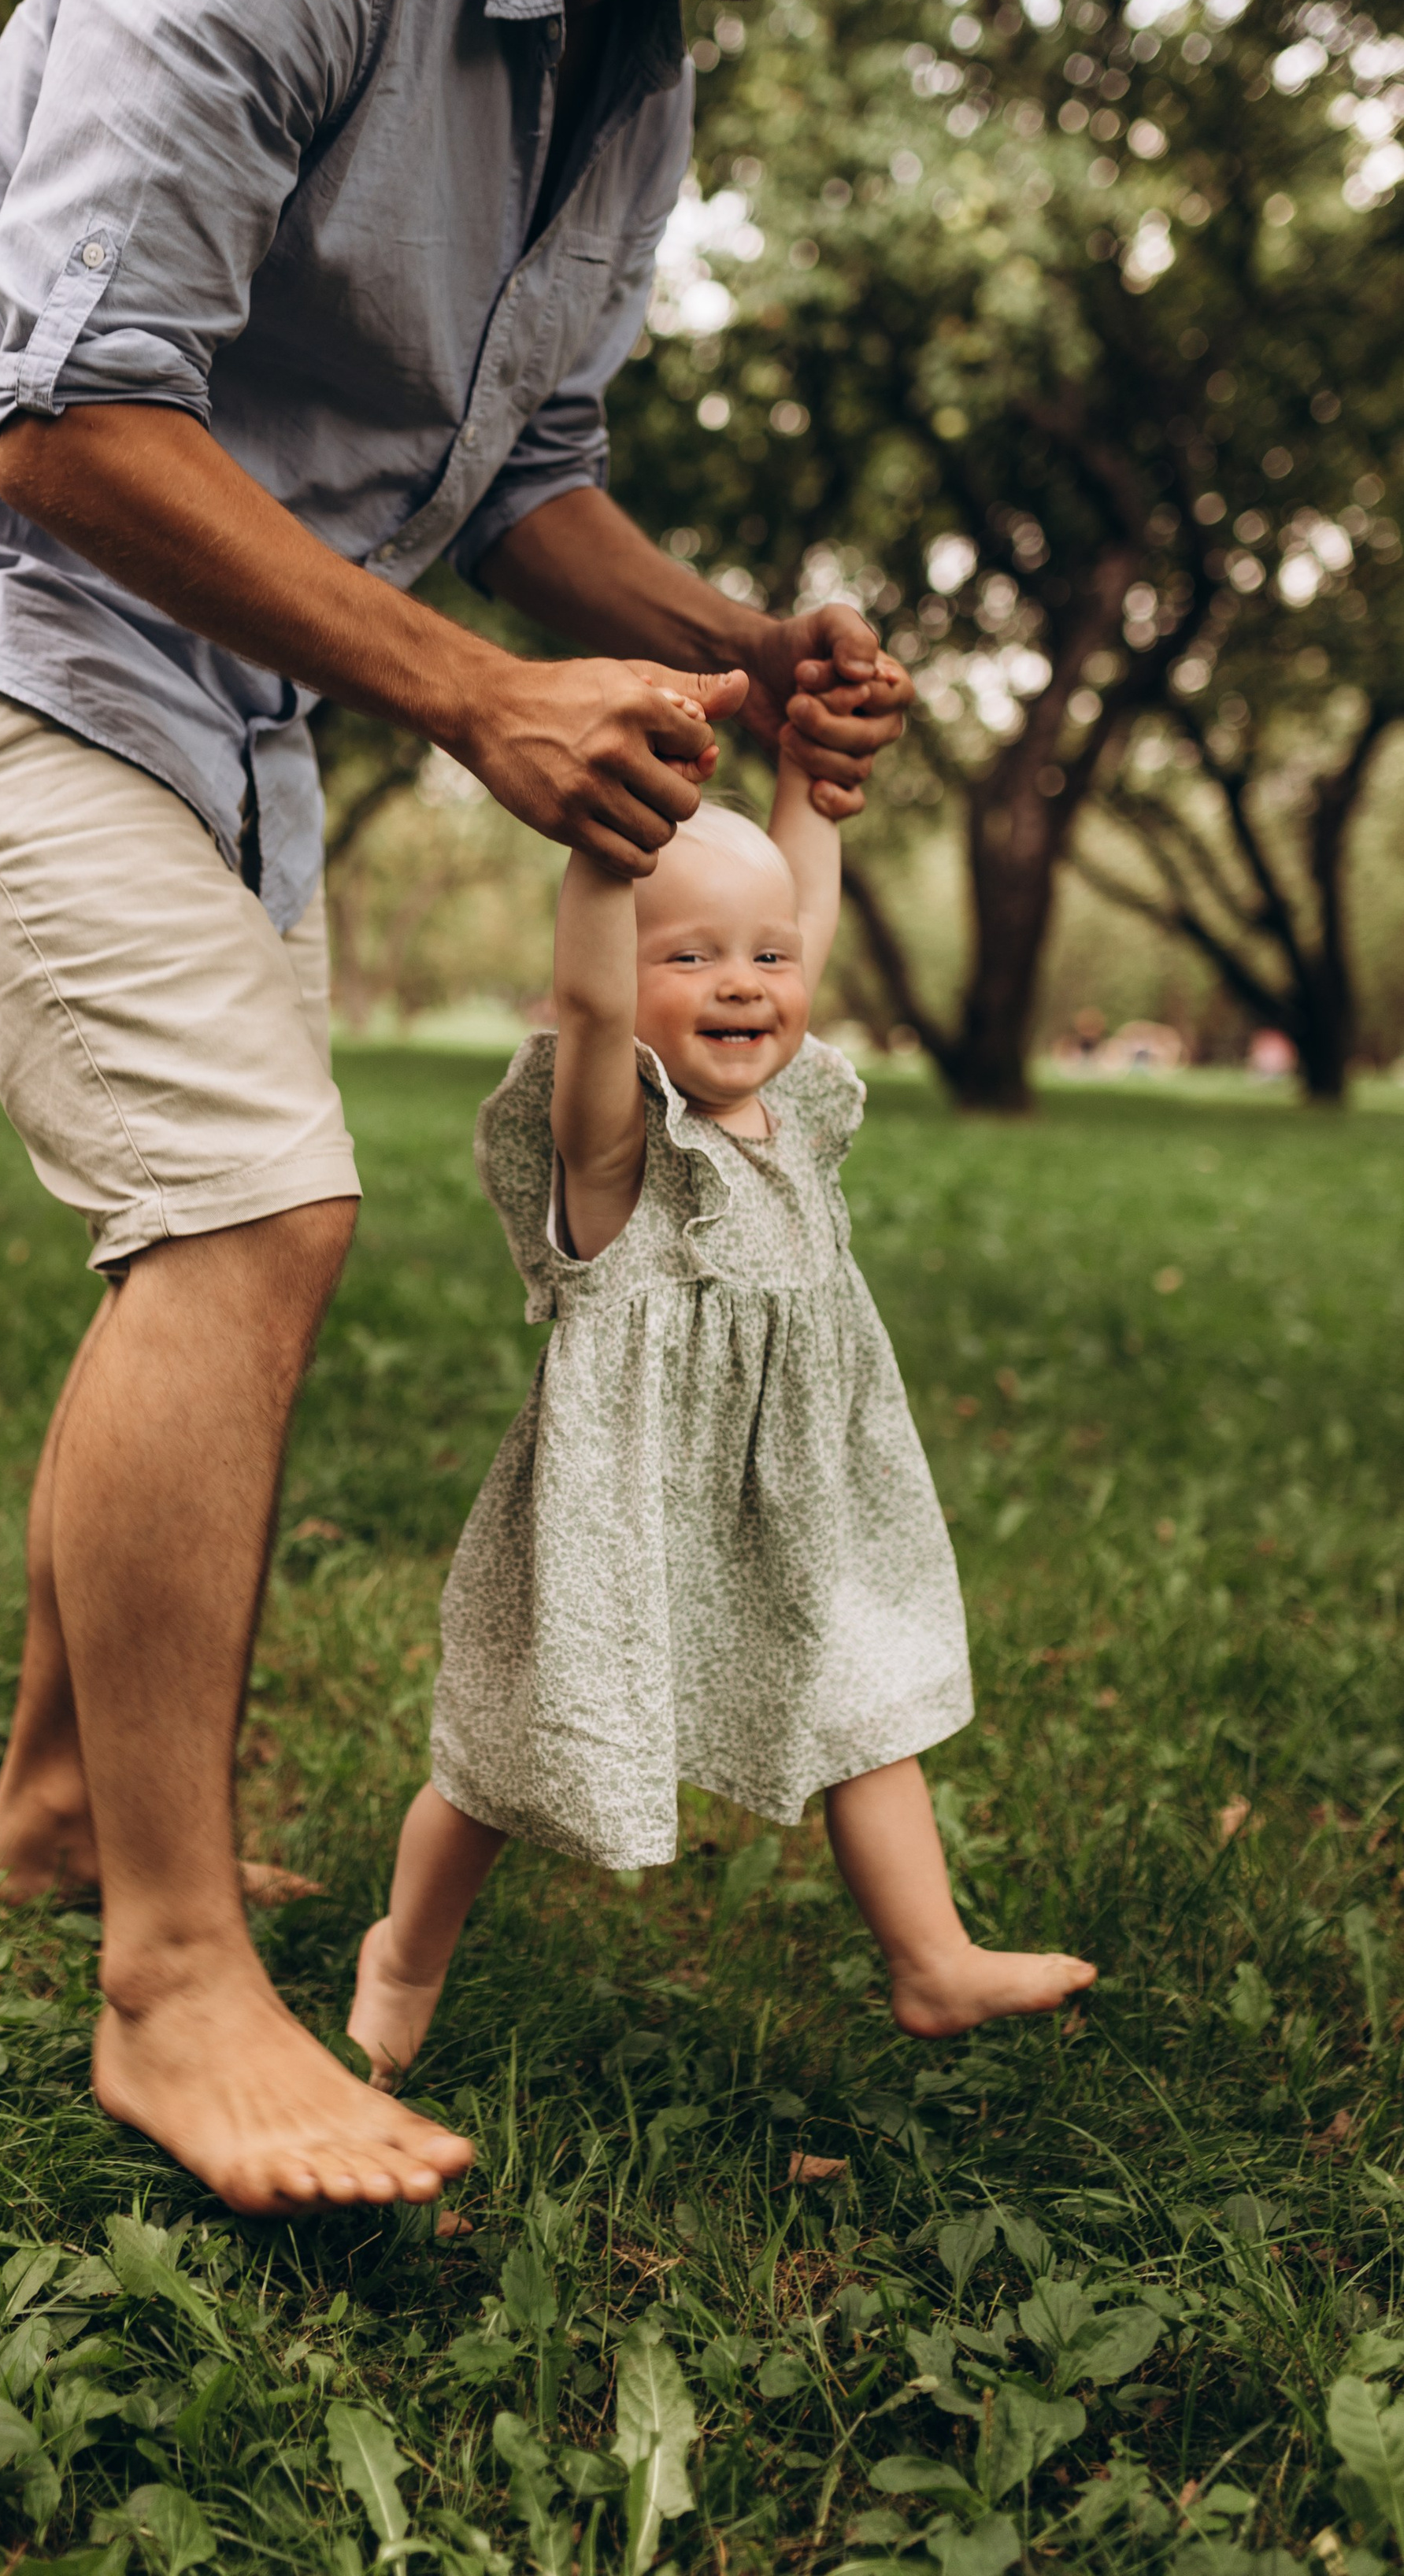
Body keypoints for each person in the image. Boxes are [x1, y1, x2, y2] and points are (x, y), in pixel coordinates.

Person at [0, 0, 1053, 2215]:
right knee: (252, 1212)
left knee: (210, 1222)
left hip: (217, 716)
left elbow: (526, 482)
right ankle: (169, 1990)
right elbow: (68, 424)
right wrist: (472, 703)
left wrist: (734, 644)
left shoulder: (639, 66)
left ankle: (45, 1809)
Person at [348, 690, 1097, 2082]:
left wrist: (810, 788)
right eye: (688, 956)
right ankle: (405, 1949)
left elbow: (797, 914)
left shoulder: (799, 1110)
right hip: (620, 1520)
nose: (744, 978)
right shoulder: (615, 1149)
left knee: (862, 1699)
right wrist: (602, 845)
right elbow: (583, 992)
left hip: (794, 1500)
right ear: (626, 996)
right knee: (508, 1760)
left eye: (763, 957)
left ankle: (930, 1961)